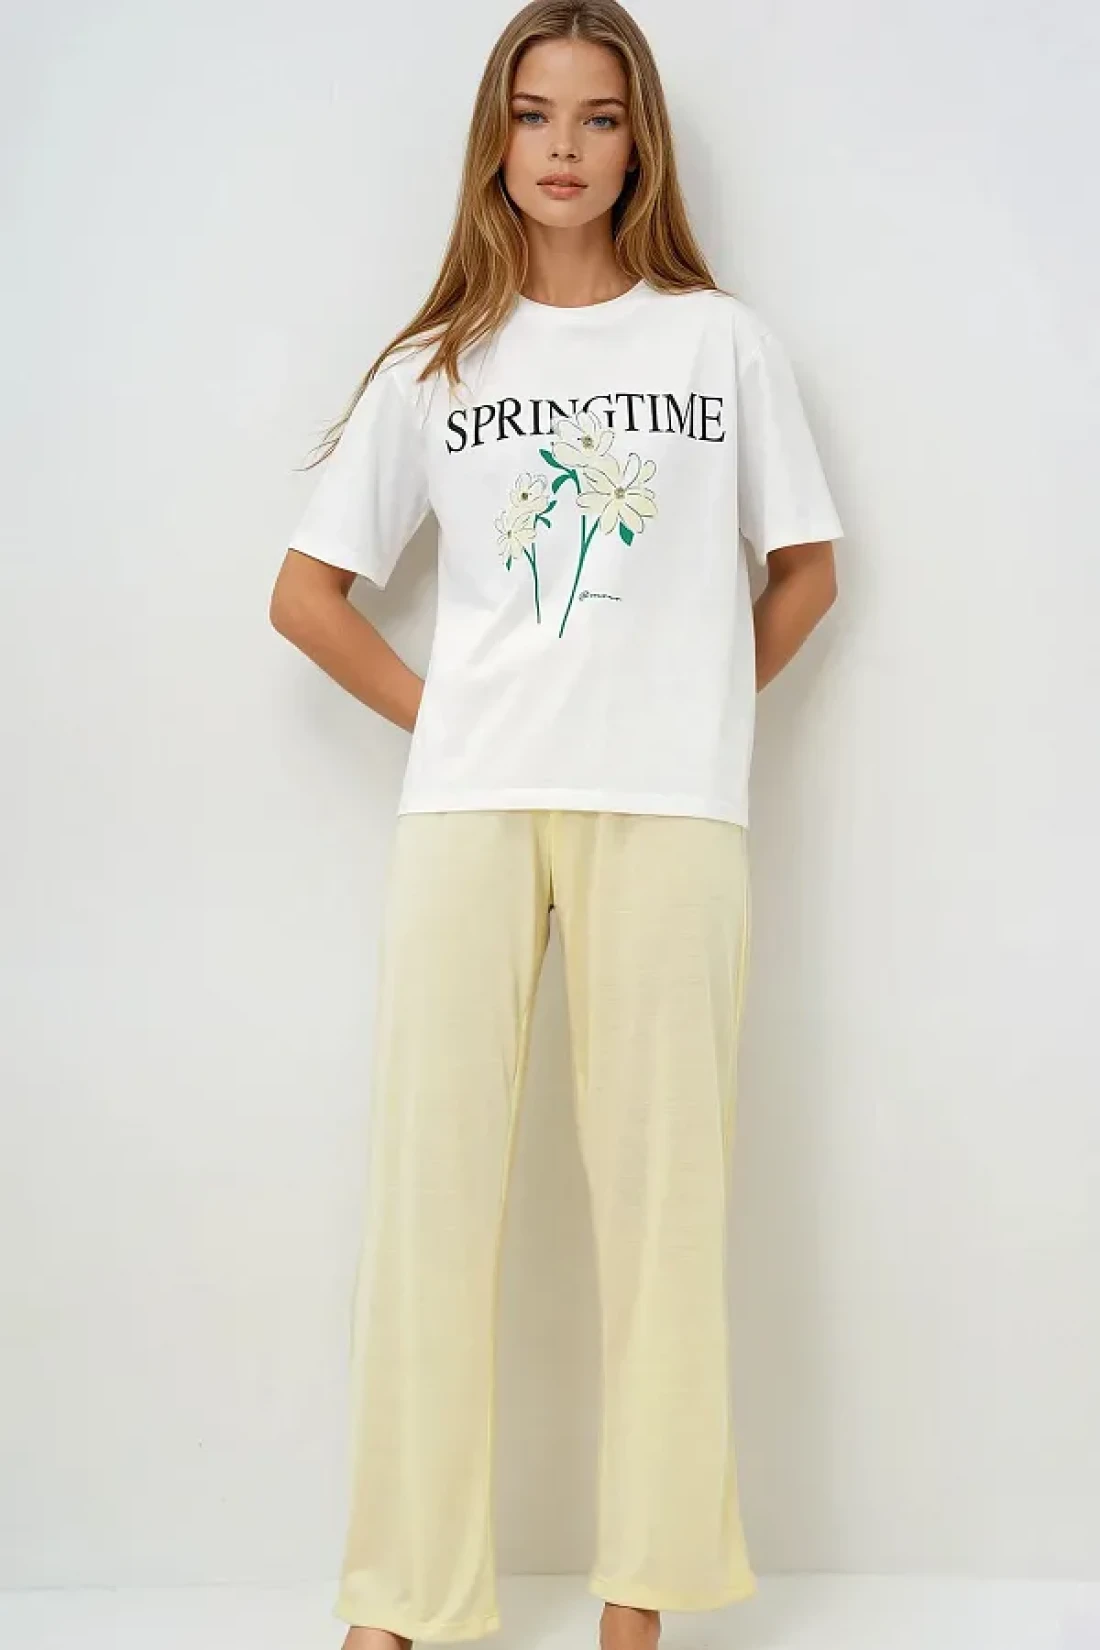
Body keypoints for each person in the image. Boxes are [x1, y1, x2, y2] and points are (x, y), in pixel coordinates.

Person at [269, 3, 843, 1649]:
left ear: (639, 140)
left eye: (599, 116)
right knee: (428, 1201)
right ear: (497, 140)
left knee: (666, 1207)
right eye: (535, 115)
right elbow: (306, 596)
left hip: (672, 810)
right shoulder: (438, 365)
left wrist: (695, 702)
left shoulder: (720, 346)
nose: (566, 147)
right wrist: (449, 714)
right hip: (468, 805)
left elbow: (807, 571)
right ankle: (402, 1596)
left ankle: (637, 1598)